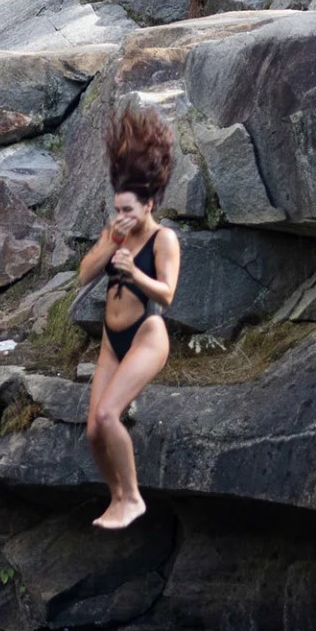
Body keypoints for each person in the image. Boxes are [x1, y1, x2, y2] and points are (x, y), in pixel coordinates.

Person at [76, 102, 181, 531]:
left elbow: (169, 295)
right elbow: (83, 274)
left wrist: (135, 271)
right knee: (92, 431)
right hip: (110, 343)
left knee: (108, 416)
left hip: (147, 333)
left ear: (149, 203)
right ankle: (117, 497)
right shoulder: (113, 231)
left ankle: (134, 498)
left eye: (128, 210)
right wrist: (108, 244)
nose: (122, 217)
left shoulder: (163, 238)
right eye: (117, 209)